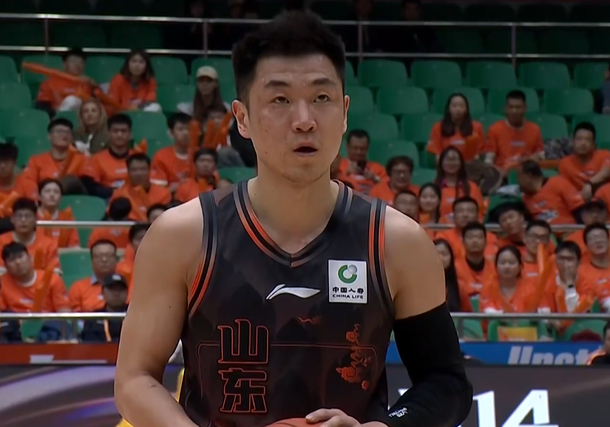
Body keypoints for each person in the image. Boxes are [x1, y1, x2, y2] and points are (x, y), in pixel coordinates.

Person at [114, 11, 472, 427]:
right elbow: (135, 379)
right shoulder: (184, 235)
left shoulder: (398, 242)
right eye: (280, 100)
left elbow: (447, 383)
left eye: (322, 98)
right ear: (242, 118)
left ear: (345, 112)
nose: (304, 120)